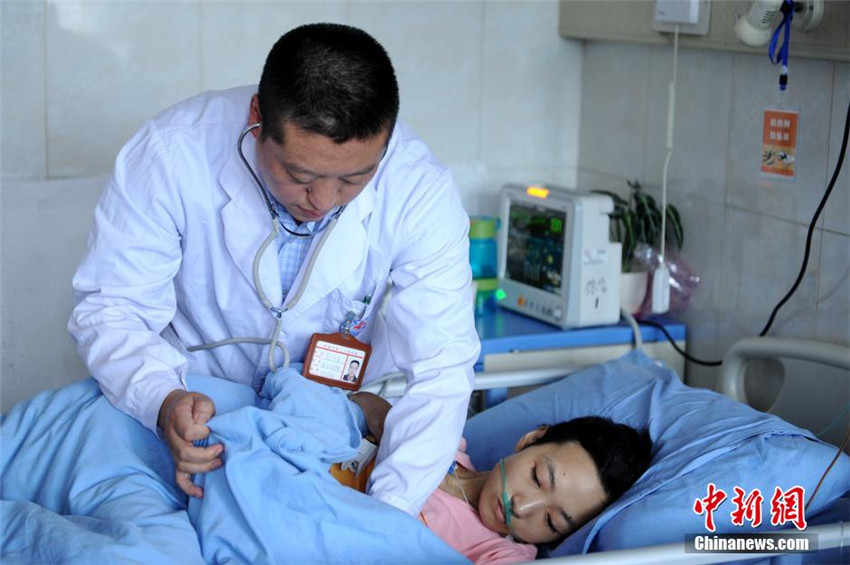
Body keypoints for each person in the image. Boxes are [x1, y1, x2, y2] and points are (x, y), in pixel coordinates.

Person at [68, 23, 480, 516]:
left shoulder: (419, 189)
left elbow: (441, 368)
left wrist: (386, 514)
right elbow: (113, 308)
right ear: (257, 119)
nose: (323, 201)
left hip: (322, 427)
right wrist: (161, 400)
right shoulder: (171, 154)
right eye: (300, 175)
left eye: (353, 179)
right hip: (194, 412)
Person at [345, 392, 653, 564]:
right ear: (531, 439)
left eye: (551, 522)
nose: (522, 507)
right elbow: (361, 402)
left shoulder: (502, 554)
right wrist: (389, 423)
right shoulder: (442, 444)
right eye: (537, 478)